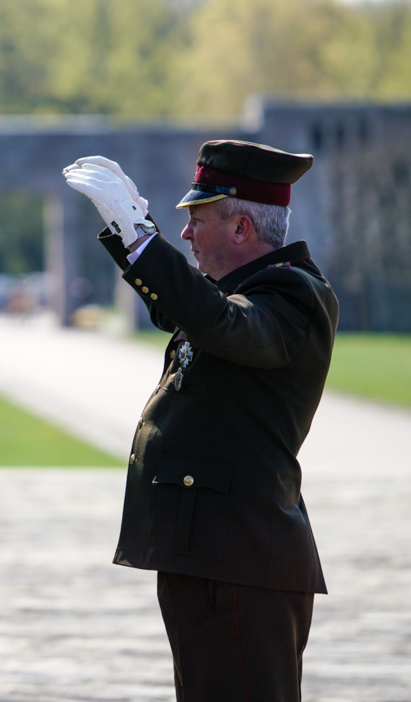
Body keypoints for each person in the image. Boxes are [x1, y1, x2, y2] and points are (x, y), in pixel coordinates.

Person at [63, 140, 339, 702]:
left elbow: (216, 321)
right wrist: (130, 232)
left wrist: (142, 239)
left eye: (198, 219)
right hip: (214, 553)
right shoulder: (238, 291)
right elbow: (181, 307)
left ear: (241, 230)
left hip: (239, 559)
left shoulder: (291, 292)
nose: (185, 234)